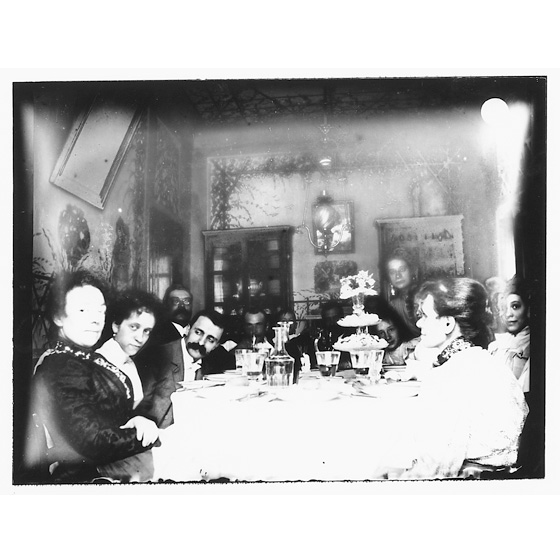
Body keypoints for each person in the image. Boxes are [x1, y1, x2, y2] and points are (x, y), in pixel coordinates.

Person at [25, 270, 161, 483]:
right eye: (83, 310)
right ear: (58, 316)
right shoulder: (61, 367)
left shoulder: (82, 358)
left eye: (101, 311)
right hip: (86, 479)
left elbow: (106, 416)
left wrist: (136, 420)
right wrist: (148, 436)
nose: (96, 320)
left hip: (112, 466)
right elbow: (93, 442)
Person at [396, 277, 528, 479]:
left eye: (425, 316)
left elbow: (437, 467)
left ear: (448, 323)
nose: (418, 323)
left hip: (476, 481)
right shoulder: (477, 359)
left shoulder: (453, 373)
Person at [137, 309, 227, 428]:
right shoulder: (157, 356)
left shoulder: (212, 367)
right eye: (198, 332)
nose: (201, 342)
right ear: (187, 329)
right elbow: (139, 408)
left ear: (216, 346)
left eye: (210, 340)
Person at [96, 289, 162, 409]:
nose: (140, 338)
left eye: (146, 331)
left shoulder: (129, 361)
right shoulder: (100, 363)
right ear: (116, 326)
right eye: (134, 327)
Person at [489, 276, 531, 393]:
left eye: (515, 306)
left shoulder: (533, 346)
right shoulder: (498, 346)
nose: (508, 314)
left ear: (528, 308)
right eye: (504, 307)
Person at [384, 251, 420, 337]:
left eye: (402, 270)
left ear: (411, 271)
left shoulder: (424, 297)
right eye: (392, 272)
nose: (398, 275)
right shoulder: (394, 305)